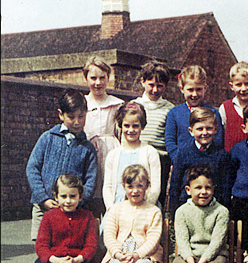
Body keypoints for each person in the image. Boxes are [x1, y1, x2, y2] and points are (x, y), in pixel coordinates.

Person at [26, 89, 98, 241]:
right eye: (71, 117)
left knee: (66, 247)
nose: (77, 122)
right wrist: (43, 198)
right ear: (61, 114)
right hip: (43, 208)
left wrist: (76, 201)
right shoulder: (47, 138)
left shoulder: (88, 148)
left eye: (81, 116)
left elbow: (91, 180)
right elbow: (32, 168)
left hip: (73, 211)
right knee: (42, 249)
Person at [169, 107, 232, 220]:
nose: (204, 133)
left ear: (216, 129)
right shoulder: (183, 153)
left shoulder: (222, 156)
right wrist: (174, 216)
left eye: (209, 128)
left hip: (213, 211)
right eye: (200, 129)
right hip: (187, 210)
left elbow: (225, 189)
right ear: (191, 131)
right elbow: (175, 186)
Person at [82, 56, 124, 217]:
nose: (97, 82)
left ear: (108, 78)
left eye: (102, 78)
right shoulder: (83, 103)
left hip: (110, 153)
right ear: (86, 78)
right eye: (93, 78)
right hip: (88, 153)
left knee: (110, 193)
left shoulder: (117, 104)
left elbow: (121, 133)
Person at [103, 102, 161, 212]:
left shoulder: (150, 152)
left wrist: (146, 207)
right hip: (117, 208)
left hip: (144, 208)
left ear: (142, 126)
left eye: (135, 126)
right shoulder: (113, 155)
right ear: (121, 125)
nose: (130, 130)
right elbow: (108, 187)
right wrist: (111, 209)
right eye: (126, 126)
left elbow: (155, 186)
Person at [133, 61, 175, 208]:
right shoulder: (133, 106)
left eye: (160, 86)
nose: (155, 90)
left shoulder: (170, 109)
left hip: (160, 160)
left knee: (155, 197)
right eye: (151, 84)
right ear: (143, 82)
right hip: (137, 157)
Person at [164, 65, 224, 161]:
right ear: (182, 89)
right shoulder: (174, 113)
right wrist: (178, 160)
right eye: (190, 90)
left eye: (199, 89)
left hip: (207, 164)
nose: (194, 94)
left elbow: (218, 141)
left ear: (205, 88)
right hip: (183, 164)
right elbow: (170, 141)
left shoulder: (213, 113)